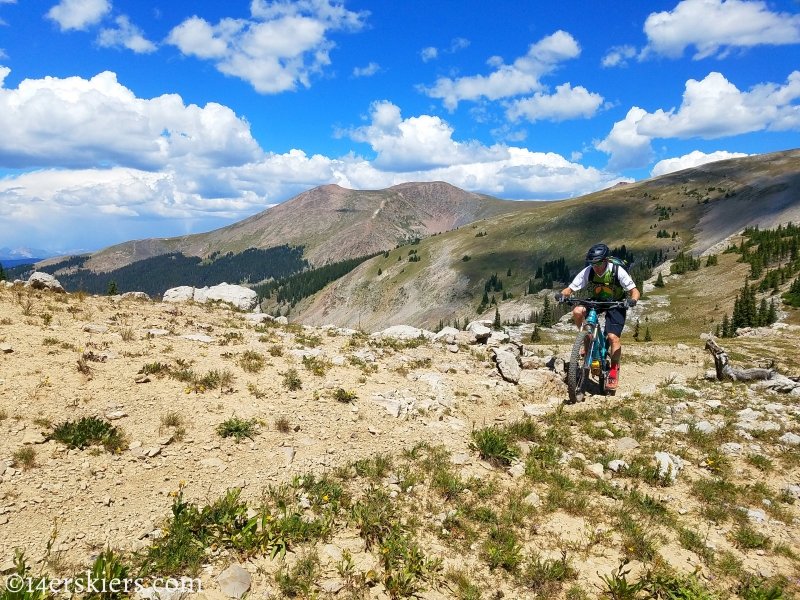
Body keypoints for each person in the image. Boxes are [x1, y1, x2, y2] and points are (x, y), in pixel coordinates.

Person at [554, 243, 640, 391]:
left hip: (616, 303)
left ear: (606, 260)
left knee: (613, 338)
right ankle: (586, 337)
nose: (596, 266)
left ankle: (613, 370)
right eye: (592, 263)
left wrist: (632, 300)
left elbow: (635, 291)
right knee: (577, 311)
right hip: (596, 301)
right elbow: (570, 288)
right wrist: (563, 295)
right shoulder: (589, 271)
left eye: (599, 263)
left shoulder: (616, 271)